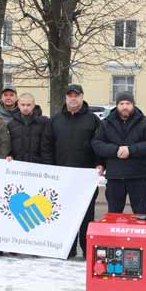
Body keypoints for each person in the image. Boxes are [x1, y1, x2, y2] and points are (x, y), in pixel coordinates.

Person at [50, 84, 103, 259]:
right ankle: (68, 249)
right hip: (62, 177)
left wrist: (100, 164)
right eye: (70, 95)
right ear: (66, 98)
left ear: (82, 97)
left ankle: (86, 250)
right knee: (64, 214)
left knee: (86, 214)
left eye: (76, 95)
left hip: (86, 177)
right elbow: (49, 146)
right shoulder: (56, 120)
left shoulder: (93, 120)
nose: (73, 98)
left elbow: (100, 145)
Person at [92, 92, 146, 214]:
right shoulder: (106, 123)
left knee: (140, 215)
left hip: (138, 177)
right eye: (121, 103)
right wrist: (115, 150)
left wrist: (131, 150)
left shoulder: (145, 122)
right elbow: (97, 144)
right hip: (115, 177)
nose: (125, 106)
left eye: (128, 103)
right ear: (117, 105)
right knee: (113, 215)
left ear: (133, 105)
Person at [6, 92, 53, 164]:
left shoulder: (44, 122)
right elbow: (9, 146)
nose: (25, 108)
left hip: (37, 167)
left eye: (28, 105)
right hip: (17, 168)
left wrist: (48, 165)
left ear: (33, 105)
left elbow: (47, 147)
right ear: (18, 105)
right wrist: (10, 155)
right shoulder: (11, 124)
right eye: (23, 105)